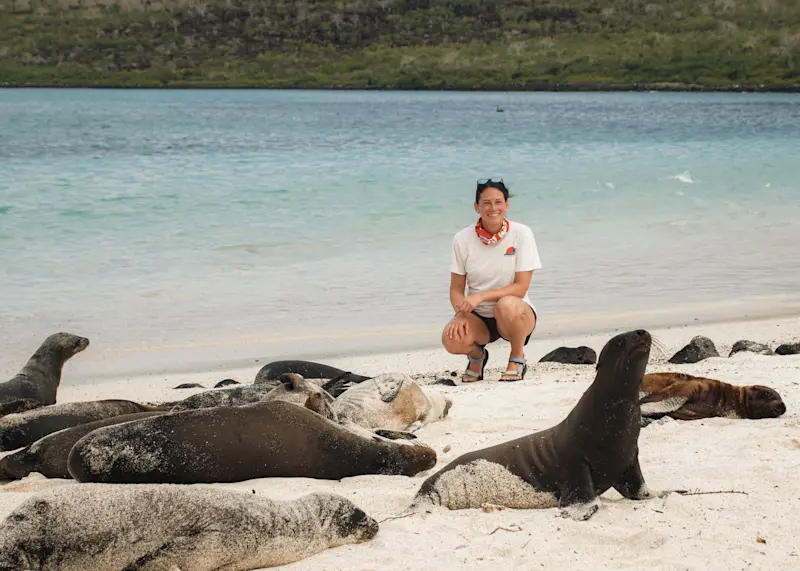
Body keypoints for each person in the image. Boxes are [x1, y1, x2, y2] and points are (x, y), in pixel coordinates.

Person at [441, 178, 542, 382]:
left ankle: (517, 356)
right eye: (486, 203)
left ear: (506, 205)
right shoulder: (462, 239)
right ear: (477, 207)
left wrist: (480, 296)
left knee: (506, 305)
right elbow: (456, 289)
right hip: (479, 317)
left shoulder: (521, 234)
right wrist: (460, 314)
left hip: (515, 313)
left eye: (498, 202)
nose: (493, 208)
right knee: (451, 339)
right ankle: (478, 357)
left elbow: (521, 288)